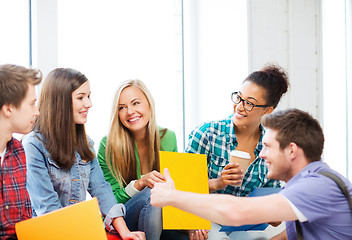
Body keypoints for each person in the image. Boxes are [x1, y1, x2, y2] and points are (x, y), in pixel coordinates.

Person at [150, 108, 352, 240]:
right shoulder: (309, 182)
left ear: (291, 150)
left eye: (267, 147)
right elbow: (284, 237)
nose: (261, 154)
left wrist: (171, 196)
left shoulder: (316, 186)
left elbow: (235, 212)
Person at [22, 68, 145, 240]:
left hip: (75, 230)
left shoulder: (85, 143)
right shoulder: (33, 145)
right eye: (80, 98)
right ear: (60, 102)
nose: (89, 104)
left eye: (88, 96)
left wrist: (125, 233)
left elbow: (101, 189)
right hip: (49, 233)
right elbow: (48, 208)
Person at [183, 64, 289, 239]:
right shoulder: (207, 133)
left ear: (268, 110)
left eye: (249, 103)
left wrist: (275, 213)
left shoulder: (271, 148)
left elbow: (272, 204)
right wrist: (217, 183)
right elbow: (181, 185)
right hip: (206, 217)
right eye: (239, 98)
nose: (239, 107)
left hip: (243, 225)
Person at [98, 79, 181, 240]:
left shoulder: (168, 137)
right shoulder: (108, 145)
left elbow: (176, 189)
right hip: (125, 218)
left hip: (161, 216)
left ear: (149, 104)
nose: (129, 111)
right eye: (122, 108)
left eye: (135, 103)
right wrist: (139, 184)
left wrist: (189, 226)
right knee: (152, 192)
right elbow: (110, 200)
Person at [0, 64, 42, 240]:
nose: (37, 112)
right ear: (9, 109)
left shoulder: (18, 150)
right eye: (32, 104)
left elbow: (24, 218)